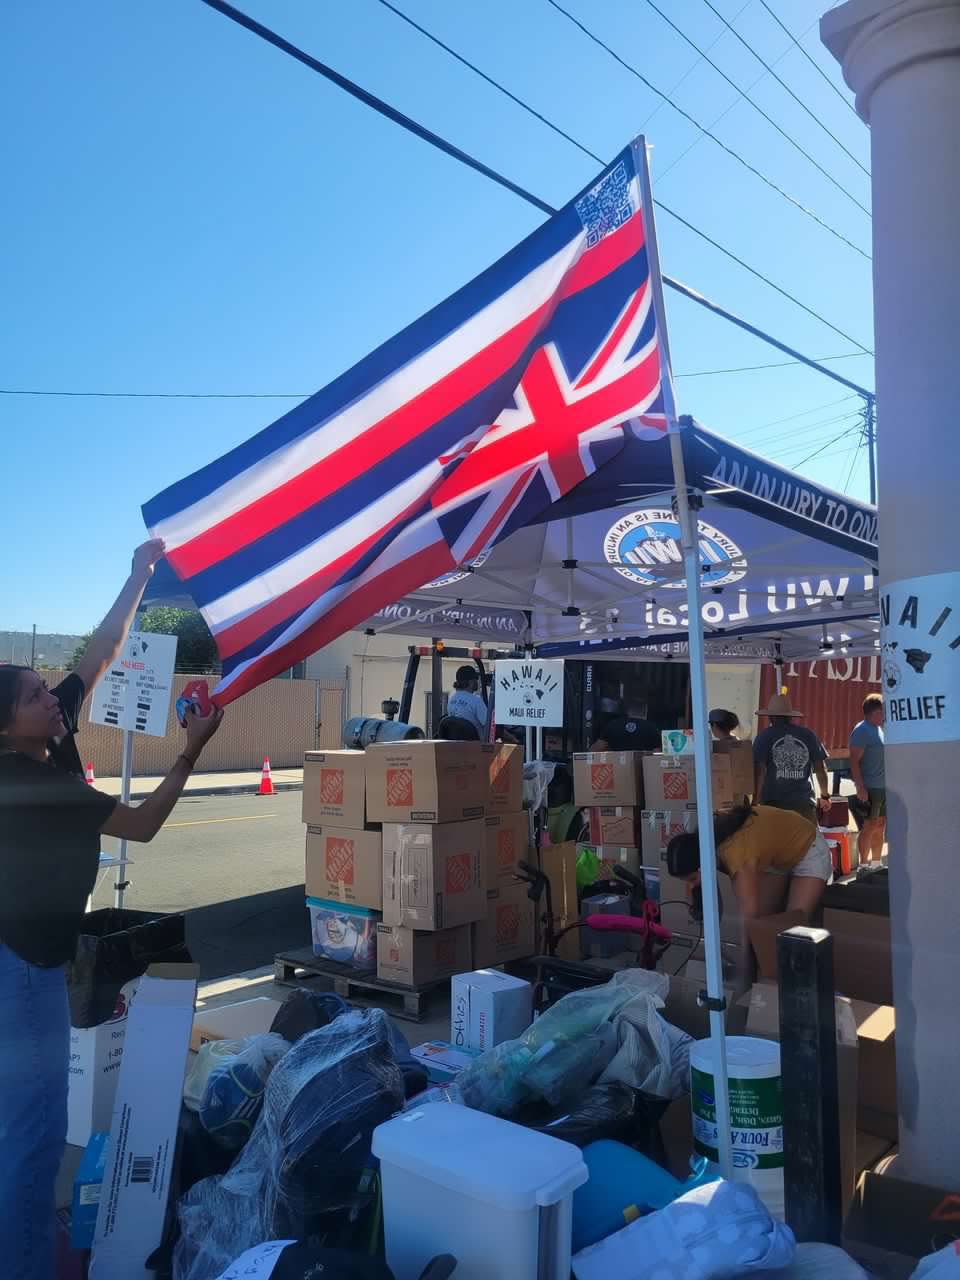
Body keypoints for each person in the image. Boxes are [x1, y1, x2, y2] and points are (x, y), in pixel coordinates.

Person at [0, 540, 224, 1280]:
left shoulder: (44, 737)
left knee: (17, 1129)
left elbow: (97, 656)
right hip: (21, 969)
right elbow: (144, 824)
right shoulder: (28, 782)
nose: (52, 699)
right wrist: (192, 751)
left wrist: (139, 577)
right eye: (34, 696)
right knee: (33, 1138)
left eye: (44, 688)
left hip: (27, 954)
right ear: (7, 727)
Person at [666, 801, 832, 922]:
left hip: (809, 847)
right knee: (765, 924)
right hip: (775, 855)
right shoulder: (704, 843)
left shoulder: (736, 855)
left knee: (793, 929)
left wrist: (745, 969)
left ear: (702, 866)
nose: (692, 886)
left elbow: (748, 919)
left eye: (693, 879)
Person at [752, 692, 831, 825]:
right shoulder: (808, 735)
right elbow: (820, 767)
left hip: (773, 805)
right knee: (806, 844)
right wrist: (825, 795)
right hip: (803, 805)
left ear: (770, 717)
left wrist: (755, 801)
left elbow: (759, 771)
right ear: (790, 717)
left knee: (776, 845)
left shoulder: (764, 737)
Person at [849, 693, 886, 863]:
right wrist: (860, 787)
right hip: (870, 787)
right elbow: (854, 762)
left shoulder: (878, 729)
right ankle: (863, 866)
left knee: (879, 826)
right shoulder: (862, 731)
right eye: (882, 712)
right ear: (874, 712)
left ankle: (876, 864)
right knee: (868, 827)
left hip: (882, 787)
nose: (884, 715)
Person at [590, 697, 660, 751]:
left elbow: (596, 749)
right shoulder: (651, 727)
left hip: (617, 766)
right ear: (645, 712)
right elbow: (657, 754)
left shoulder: (613, 725)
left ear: (628, 711)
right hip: (642, 767)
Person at [446, 665, 489, 740]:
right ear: (471, 682)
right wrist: (510, 736)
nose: (478, 682)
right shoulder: (476, 701)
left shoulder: (451, 699)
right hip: (477, 747)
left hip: (456, 745)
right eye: (476, 679)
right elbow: (490, 726)